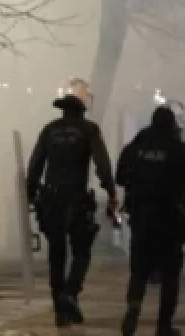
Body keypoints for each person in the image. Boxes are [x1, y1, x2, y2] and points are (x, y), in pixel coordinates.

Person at [27, 78, 118, 327]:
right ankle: (70, 293)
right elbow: (102, 163)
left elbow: (35, 165)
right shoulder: (89, 130)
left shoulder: (49, 130)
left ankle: (60, 311)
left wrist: (30, 195)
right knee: (81, 250)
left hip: (51, 199)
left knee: (56, 254)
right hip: (77, 199)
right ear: (81, 111)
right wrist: (111, 191)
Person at [116, 105, 185, 336]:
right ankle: (164, 325)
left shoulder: (137, 145)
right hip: (169, 218)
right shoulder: (176, 147)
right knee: (171, 274)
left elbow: (120, 176)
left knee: (139, 271)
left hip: (141, 217)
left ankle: (133, 309)